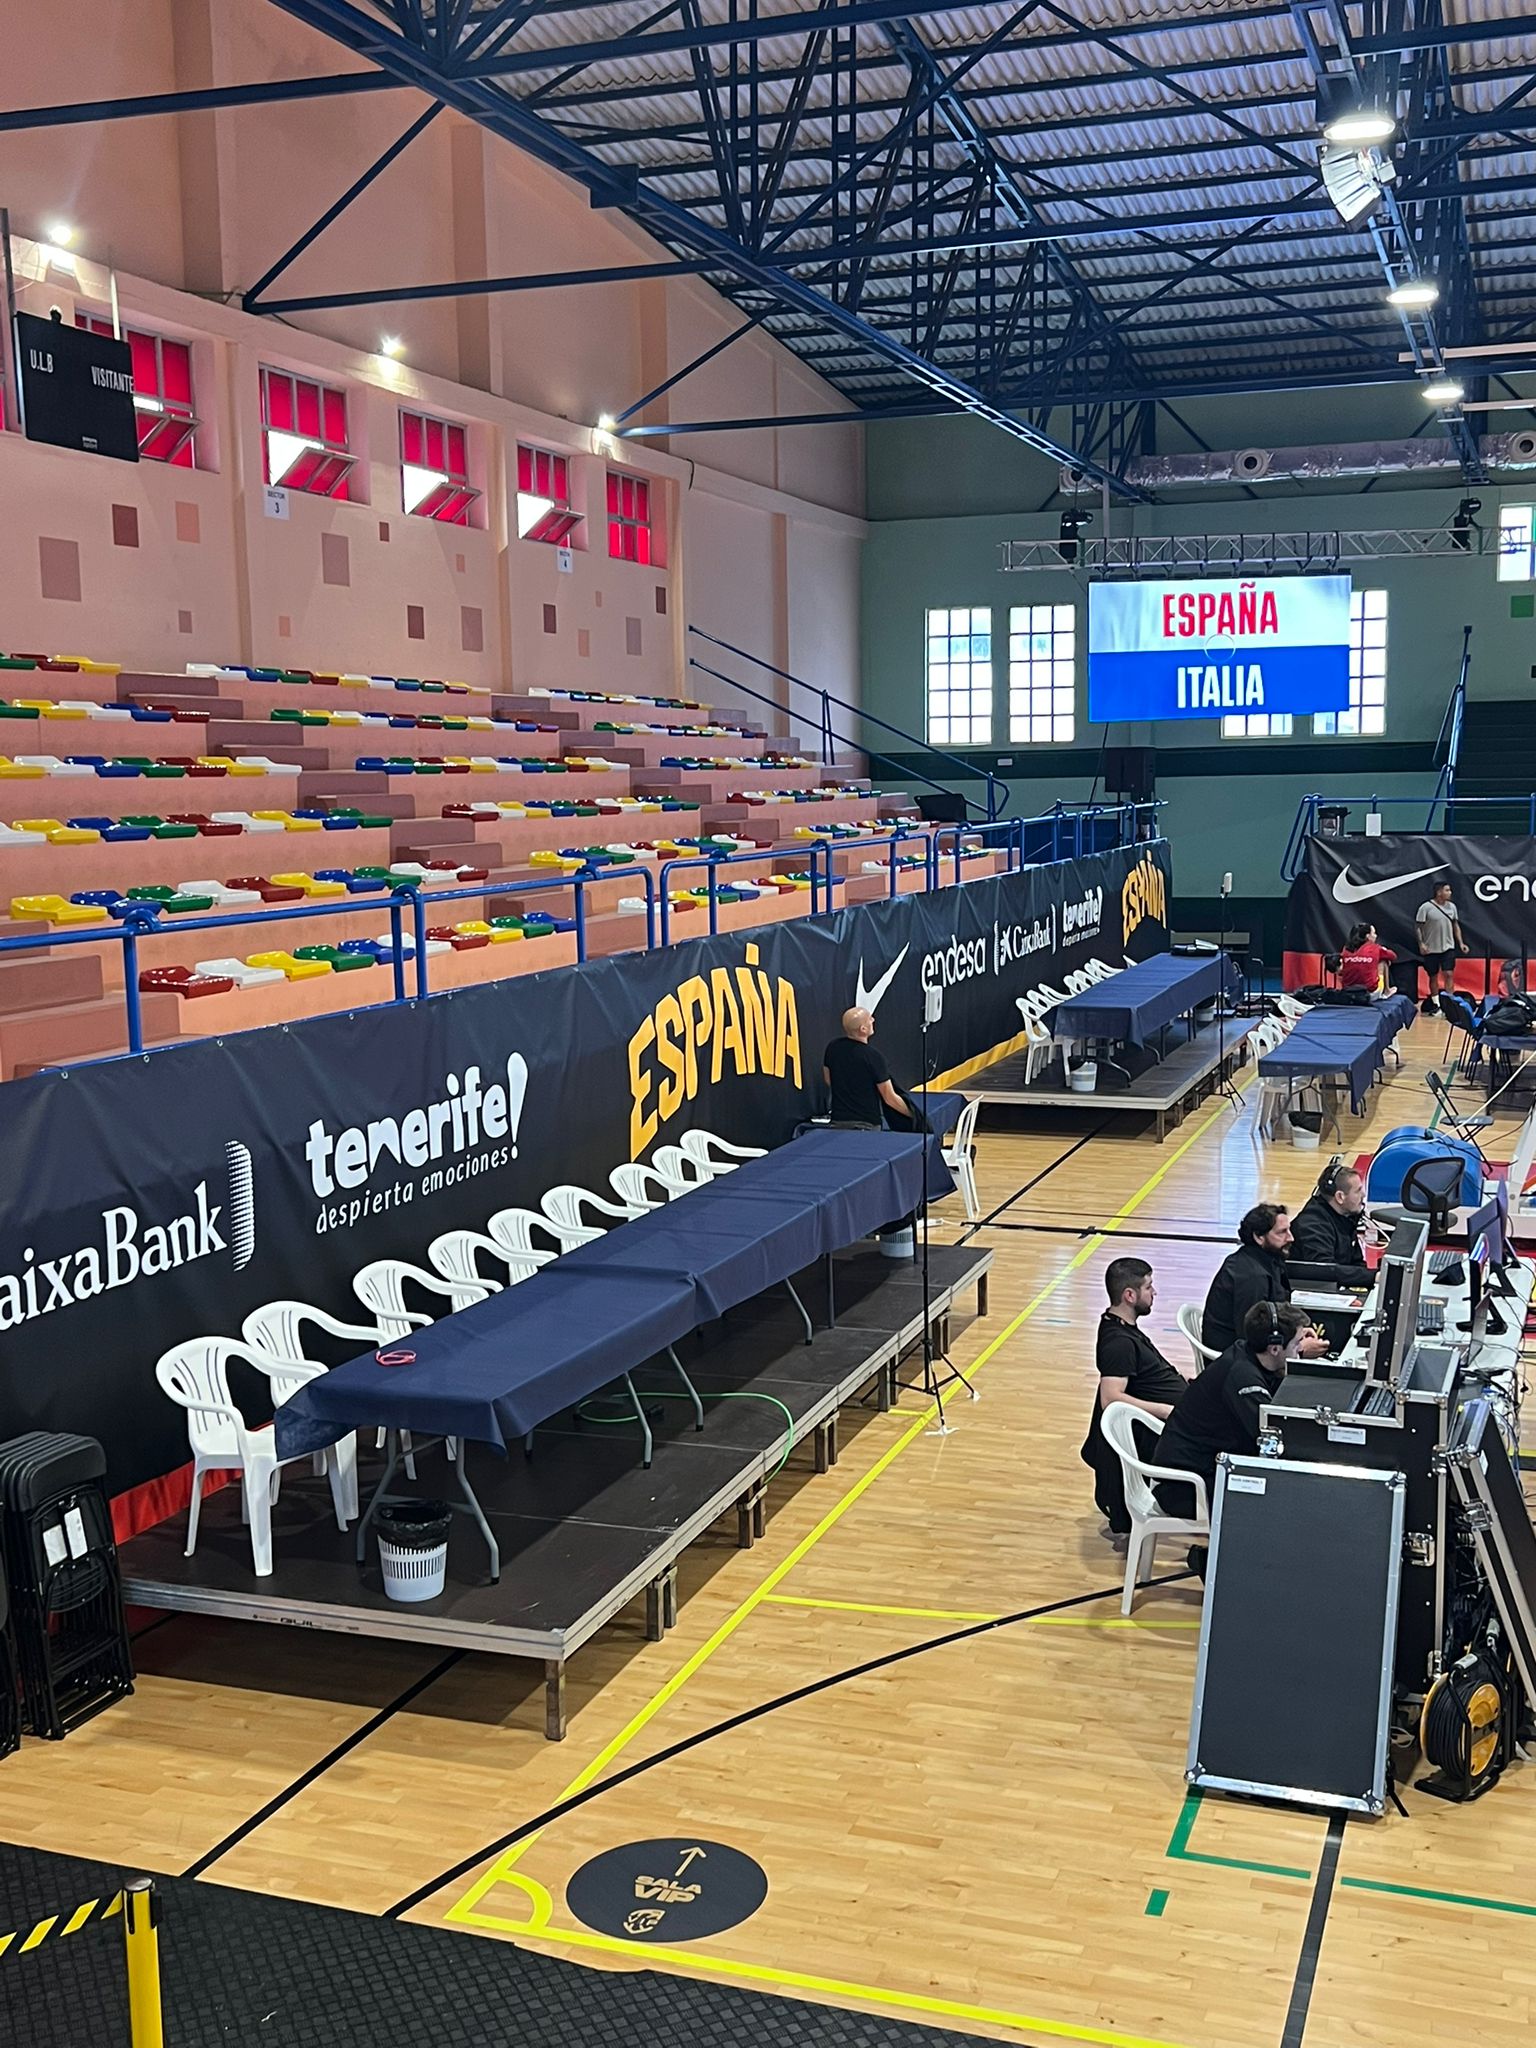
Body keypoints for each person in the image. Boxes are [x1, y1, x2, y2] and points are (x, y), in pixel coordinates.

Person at [1153, 1300, 1313, 1579]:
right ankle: (1220, 1569)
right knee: (1277, 1495)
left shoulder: (1248, 1354)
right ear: (1275, 1347)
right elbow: (1271, 1440)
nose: (1302, 1348)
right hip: (1184, 1485)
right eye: (1298, 1342)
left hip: (1208, 1466)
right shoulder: (1243, 1379)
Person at [1080, 1257, 1193, 1536]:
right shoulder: (1118, 1343)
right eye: (1148, 1287)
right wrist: (1164, 1410)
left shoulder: (1124, 1328)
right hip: (1169, 1430)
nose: (1154, 1292)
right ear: (1129, 1295)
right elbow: (1111, 1398)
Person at [1199, 1202, 1331, 1359]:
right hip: (1234, 1362)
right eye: (1282, 1232)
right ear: (1259, 1237)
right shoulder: (1252, 1277)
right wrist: (1299, 1350)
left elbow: (1270, 1319)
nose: (1291, 1238)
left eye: (1289, 1230)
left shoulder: (1267, 1260)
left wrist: (1296, 1333)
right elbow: (1251, 1340)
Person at [822, 1006, 913, 1129]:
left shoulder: (832, 1048)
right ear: (863, 1029)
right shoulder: (873, 1057)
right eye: (869, 1018)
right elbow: (889, 1098)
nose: (873, 1020)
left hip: (838, 1121)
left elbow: (828, 1080)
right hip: (866, 1124)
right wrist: (915, 1116)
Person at [1288, 1159, 1373, 1290]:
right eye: (1358, 1191)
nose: (1363, 1194)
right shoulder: (1313, 1226)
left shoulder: (1346, 1216)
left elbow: (1356, 1262)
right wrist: (1372, 1277)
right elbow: (1326, 1271)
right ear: (1340, 1197)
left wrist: (1367, 1280)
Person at [1415, 880, 1465, 1015]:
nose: (1450, 893)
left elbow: (1455, 925)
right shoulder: (1425, 907)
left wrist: (1460, 943)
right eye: (1447, 890)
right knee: (1433, 976)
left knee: (1449, 974)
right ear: (1439, 892)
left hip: (1448, 947)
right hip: (1431, 948)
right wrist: (1421, 943)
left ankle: (1450, 1005)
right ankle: (1436, 1004)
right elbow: (1418, 927)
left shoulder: (1452, 907)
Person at [1338, 921, 1396, 995]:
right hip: (1371, 993)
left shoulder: (1346, 949)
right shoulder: (1375, 948)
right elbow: (1393, 956)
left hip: (1348, 992)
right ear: (1368, 936)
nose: (1376, 936)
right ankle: (1387, 991)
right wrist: (1384, 950)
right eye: (1374, 933)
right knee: (1383, 961)